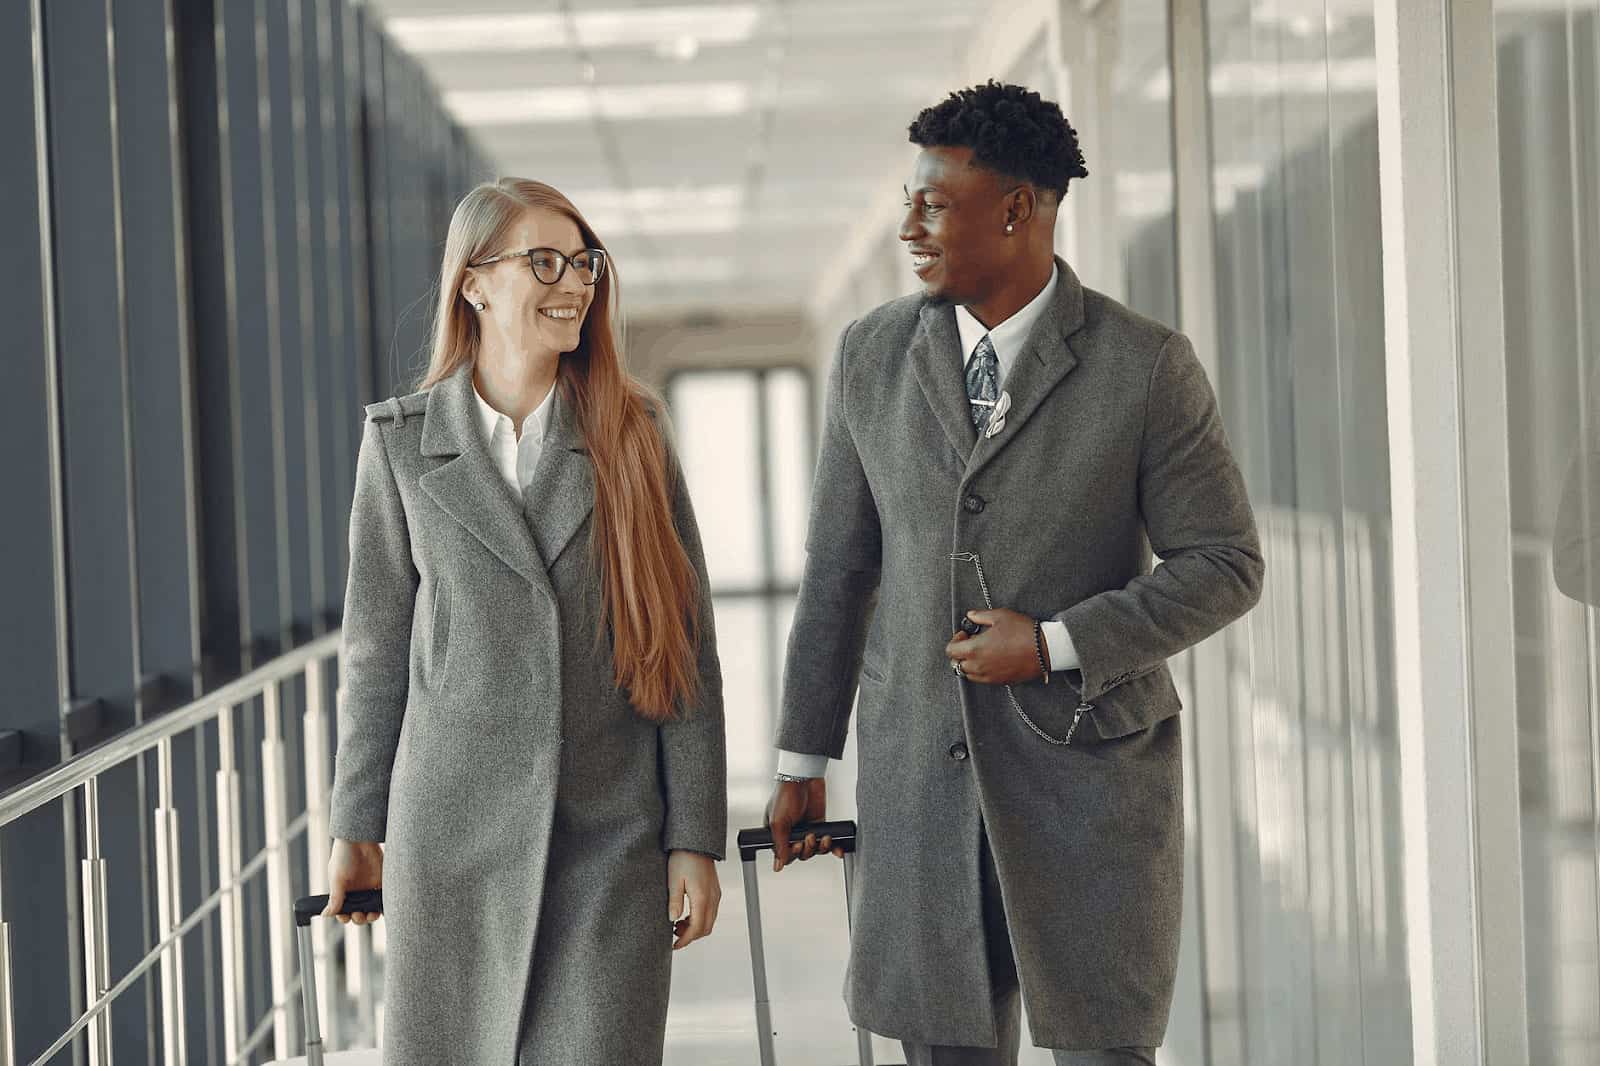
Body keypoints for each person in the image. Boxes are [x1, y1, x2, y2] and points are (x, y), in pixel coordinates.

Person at [765, 82, 1264, 1065]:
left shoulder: (1144, 365)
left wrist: (1053, 644)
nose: (909, 224)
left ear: (1017, 209)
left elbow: (1224, 562)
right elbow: (840, 569)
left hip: (1086, 781)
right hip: (919, 780)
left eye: (934, 202)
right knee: (944, 1045)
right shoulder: (871, 356)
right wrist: (801, 760)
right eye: (908, 198)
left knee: (1099, 1045)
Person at [321, 178, 727, 1065]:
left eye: (584, 262)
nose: (574, 282)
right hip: (449, 846)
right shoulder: (399, 442)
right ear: (475, 283)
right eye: (545, 261)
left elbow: (682, 647)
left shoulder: (633, 433)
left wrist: (694, 833)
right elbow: (376, 648)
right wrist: (357, 823)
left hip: (608, 837)